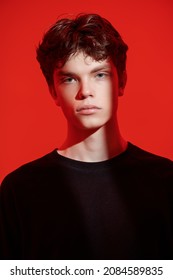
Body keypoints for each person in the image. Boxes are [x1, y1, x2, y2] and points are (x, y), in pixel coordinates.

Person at [0, 13, 173, 260]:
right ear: (53, 91)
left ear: (121, 80)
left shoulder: (166, 182)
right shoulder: (19, 191)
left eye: (99, 74)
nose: (86, 91)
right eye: (70, 79)